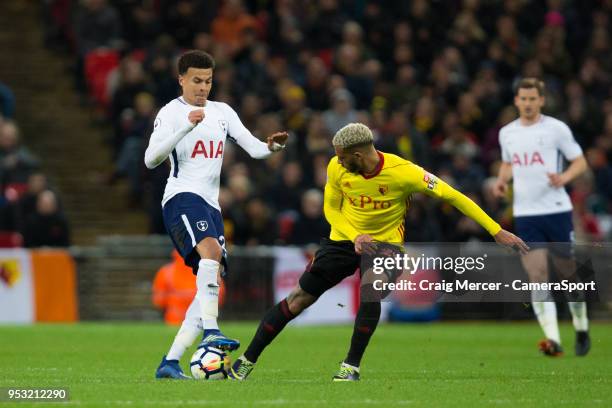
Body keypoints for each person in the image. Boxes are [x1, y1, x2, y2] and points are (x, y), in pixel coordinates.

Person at [229, 122, 527, 381]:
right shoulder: (336, 167)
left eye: (343, 158)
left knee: (372, 289)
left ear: (358, 155)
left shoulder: (404, 173)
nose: (338, 162)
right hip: (343, 238)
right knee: (298, 299)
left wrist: (496, 231)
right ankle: (246, 361)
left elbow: (453, 196)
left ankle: (350, 367)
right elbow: (331, 209)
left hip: (385, 244)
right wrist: (355, 235)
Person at [144, 50, 288, 379]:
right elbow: (151, 159)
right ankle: (211, 332)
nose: (203, 87)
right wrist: (183, 129)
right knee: (210, 253)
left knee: (209, 282)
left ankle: (170, 362)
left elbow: (253, 147)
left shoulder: (222, 112)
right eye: (196, 80)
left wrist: (272, 148)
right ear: (181, 79)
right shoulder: (171, 113)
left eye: (208, 81)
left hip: (210, 205)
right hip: (181, 196)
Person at [493, 78, 590, 357]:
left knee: (568, 274)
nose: (527, 103)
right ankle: (553, 340)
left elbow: (579, 161)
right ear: (516, 101)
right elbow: (509, 162)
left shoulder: (556, 129)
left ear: (542, 101)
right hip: (526, 214)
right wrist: (501, 180)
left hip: (557, 210)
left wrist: (564, 178)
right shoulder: (507, 133)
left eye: (532, 99)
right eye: (523, 99)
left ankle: (581, 327)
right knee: (537, 275)